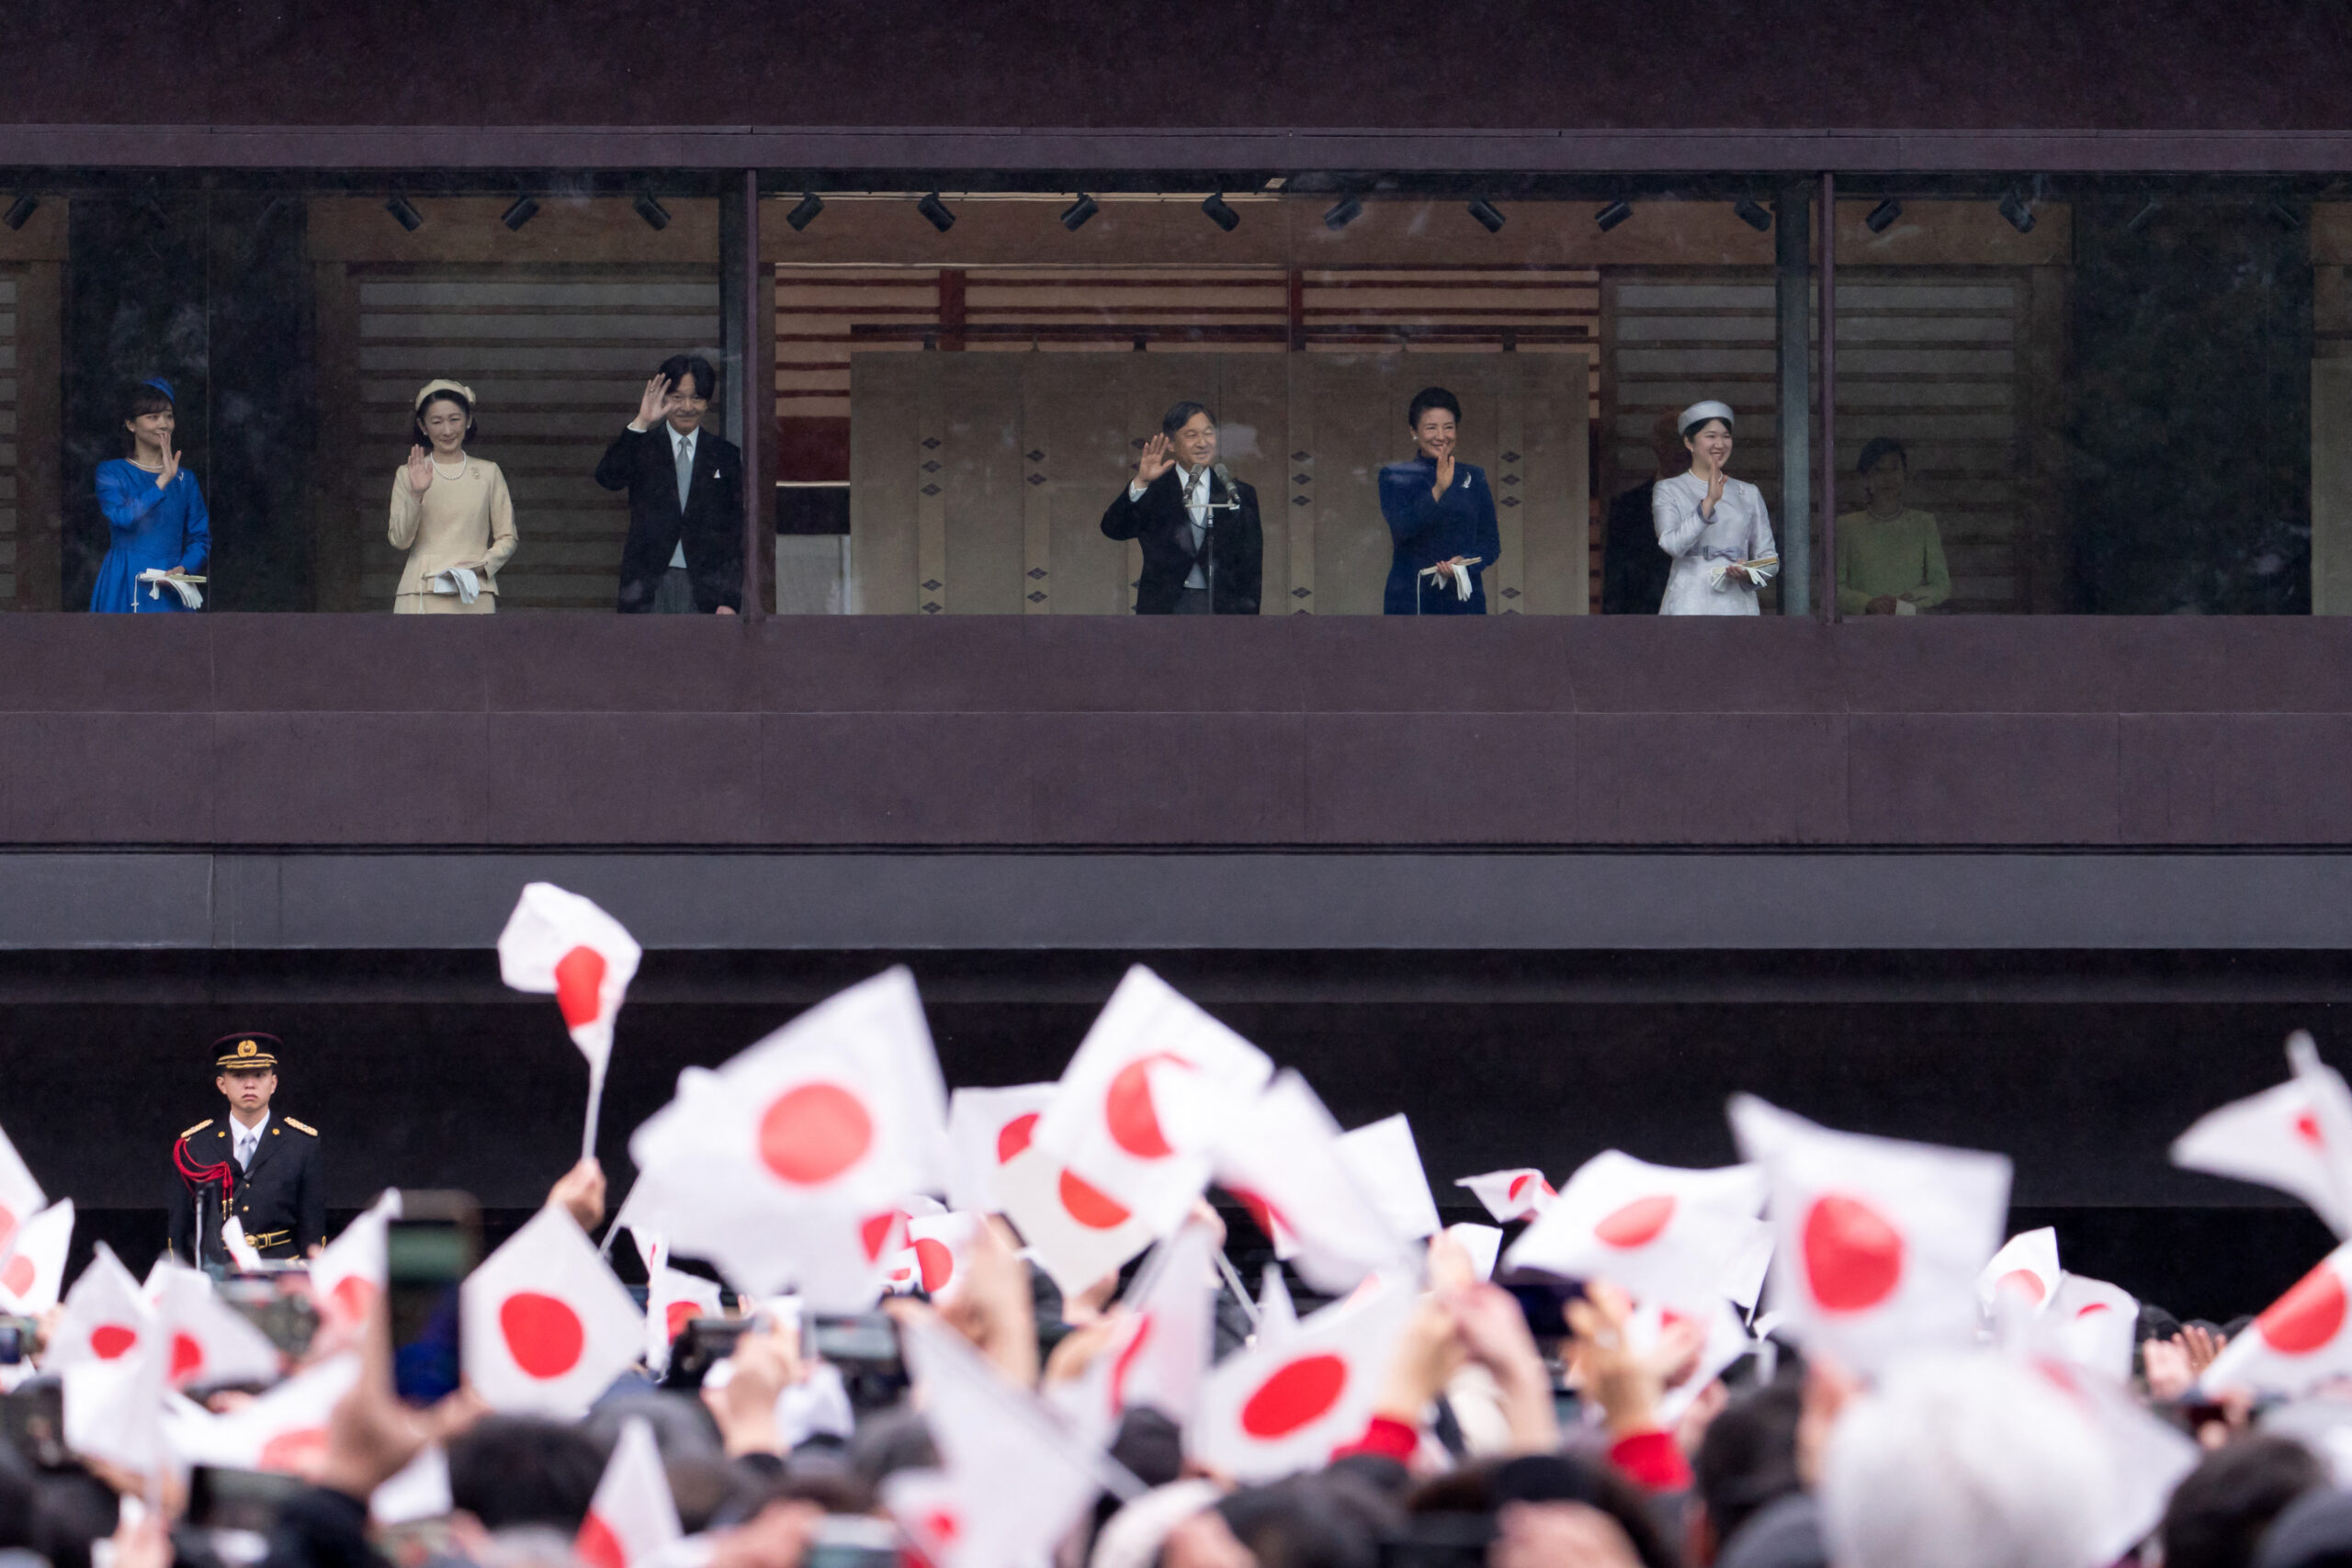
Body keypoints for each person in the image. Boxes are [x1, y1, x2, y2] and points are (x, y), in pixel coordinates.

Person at [597, 355, 742, 615]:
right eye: (677, 397)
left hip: (705, 588)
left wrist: (729, 599)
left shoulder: (725, 455)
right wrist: (642, 420)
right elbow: (608, 478)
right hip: (648, 586)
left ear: (708, 402)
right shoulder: (643, 446)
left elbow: (735, 533)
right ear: (663, 399)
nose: (687, 406)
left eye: (696, 398)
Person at [167, 1032, 325, 1265]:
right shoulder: (195, 1147)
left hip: (281, 1271)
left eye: (259, 1075)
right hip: (218, 1271)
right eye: (238, 1075)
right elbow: (180, 1232)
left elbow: (312, 1230)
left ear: (273, 1083)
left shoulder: (301, 1145)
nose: (249, 1084)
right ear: (222, 1084)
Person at [1098, 401, 1262, 615]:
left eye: (1209, 434)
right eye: (1191, 435)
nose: (1203, 443)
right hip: (1164, 607)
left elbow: (1251, 565)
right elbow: (1114, 529)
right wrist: (1140, 483)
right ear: (1171, 444)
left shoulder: (1238, 493)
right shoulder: (1154, 489)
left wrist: (1248, 621)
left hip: (1223, 608)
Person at [389, 380, 518, 614]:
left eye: (454, 419)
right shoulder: (407, 474)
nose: (447, 430)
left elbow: (508, 537)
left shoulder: (489, 473)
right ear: (423, 425)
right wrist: (416, 493)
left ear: (468, 420)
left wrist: (480, 567)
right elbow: (399, 540)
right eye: (437, 422)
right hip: (420, 592)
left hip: (473, 591)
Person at [90, 378, 210, 614]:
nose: (164, 424)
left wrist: (184, 568)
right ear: (131, 424)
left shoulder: (186, 480)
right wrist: (163, 480)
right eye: (153, 417)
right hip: (124, 578)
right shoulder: (112, 471)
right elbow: (123, 517)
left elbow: (201, 537)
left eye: (168, 416)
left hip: (170, 583)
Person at [1379, 387, 1500, 615]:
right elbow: (1402, 528)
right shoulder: (1394, 476)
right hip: (1410, 597)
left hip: (1463, 600)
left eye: (1448, 427)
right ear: (1414, 431)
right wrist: (1438, 489)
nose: (1441, 436)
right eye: (1431, 428)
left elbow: (1491, 544)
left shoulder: (1473, 476)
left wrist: (1463, 562)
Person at [1653, 400, 1777, 616]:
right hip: (1689, 602)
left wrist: (1748, 572)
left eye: (1726, 436)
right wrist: (1708, 503)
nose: (1719, 444)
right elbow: (1671, 544)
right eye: (1710, 436)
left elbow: (1770, 559)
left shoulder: (1748, 493)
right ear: (1689, 443)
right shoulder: (1669, 489)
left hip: (1737, 605)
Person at [1836, 437, 1951, 615]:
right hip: (1860, 630)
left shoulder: (1924, 523)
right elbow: (1834, 588)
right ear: (1866, 478)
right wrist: (1868, 603)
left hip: (1911, 628)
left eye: (1895, 469)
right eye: (1879, 470)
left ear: (1904, 474)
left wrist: (1909, 599)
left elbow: (1941, 585)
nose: (1888, 478)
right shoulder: (1846, 526)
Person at [1601, 414, 1680, 615]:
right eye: (1671, 440)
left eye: (1685, 441)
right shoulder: (1628, 506)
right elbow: (1616, 584)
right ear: (1657, 446)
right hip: (1644, 625)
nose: (1679, 450)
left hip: (1705, 624)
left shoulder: (1717, 503)